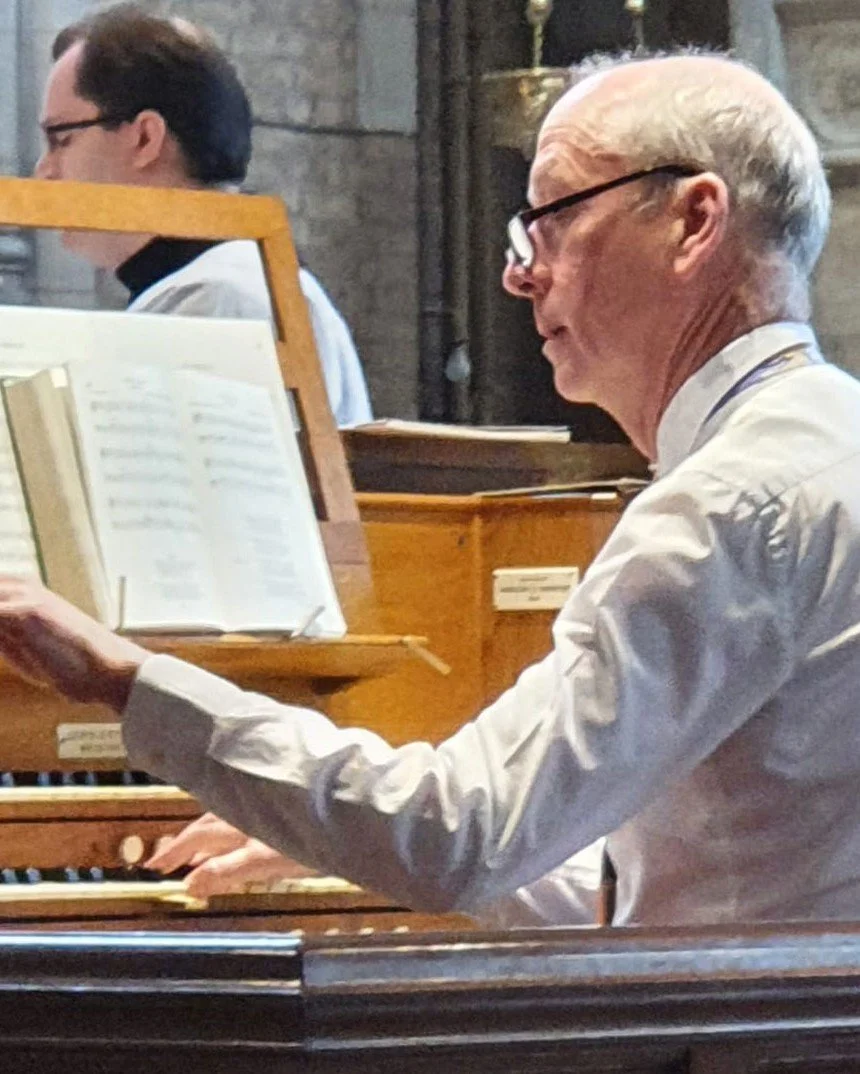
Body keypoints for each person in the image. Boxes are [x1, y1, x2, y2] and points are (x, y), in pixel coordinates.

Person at [3, 47, 858, 928]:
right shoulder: (826, 438)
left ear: (694, 220)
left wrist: (124, 675)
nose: (519, 274)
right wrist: (325, 837)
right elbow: (675, 878)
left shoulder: (724, 507)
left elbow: (462, 835)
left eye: (552, 220)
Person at [34, 2, 373, 428]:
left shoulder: (223, 298)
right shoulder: (219, 281)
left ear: (145, 139)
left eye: (60, 140)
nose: (43, 172)